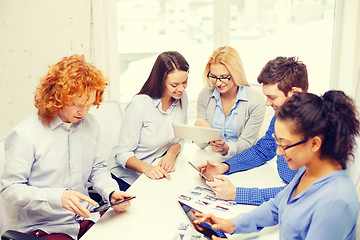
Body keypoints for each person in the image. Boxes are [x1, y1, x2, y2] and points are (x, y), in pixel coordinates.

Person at [194, 90, 360, 240]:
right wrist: (232, 225)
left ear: (315, 144)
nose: (279, 153)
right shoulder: (309, 172)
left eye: (284, 145)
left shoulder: (336, 201)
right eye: (277, 142)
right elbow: (276, 207)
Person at [0, 55, 133, 240]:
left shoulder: (90, 124)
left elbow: (97, 168)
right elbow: (10, 189)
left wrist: (110, 192)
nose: (84, 112)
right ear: (57, 96)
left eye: (89, 105)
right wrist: (57, 197)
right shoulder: (25, 133)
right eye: (78, 105)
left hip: (86, 218)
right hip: (47, 228)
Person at [198, 56, 308, 205]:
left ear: (294, 93)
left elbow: (302, 192)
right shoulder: (281, 115)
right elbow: (263, 150)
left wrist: (237, 194)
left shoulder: (315, 127)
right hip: (284, 188)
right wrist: (225, 166)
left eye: (272, 97)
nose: (267, 103)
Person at [108, 51, 189, 190]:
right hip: (126, 178)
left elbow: (180, 138)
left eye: (185, 82)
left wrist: (171, 154)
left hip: (155, 173)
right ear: (161, 80)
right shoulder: (140, 105)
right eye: (174, 85)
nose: (181, 89)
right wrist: (148, 169)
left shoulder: (182, 98)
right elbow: (122, 154)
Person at [195, 46, 265, 157]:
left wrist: (227, 149)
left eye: (223, 77)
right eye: (213, 76)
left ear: (236, 73)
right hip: (211, 157)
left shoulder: (256, 101)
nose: (218, 83)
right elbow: (200, 145)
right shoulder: (206, 94)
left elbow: (247, 143)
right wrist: (202, 130)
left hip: (242, 159)